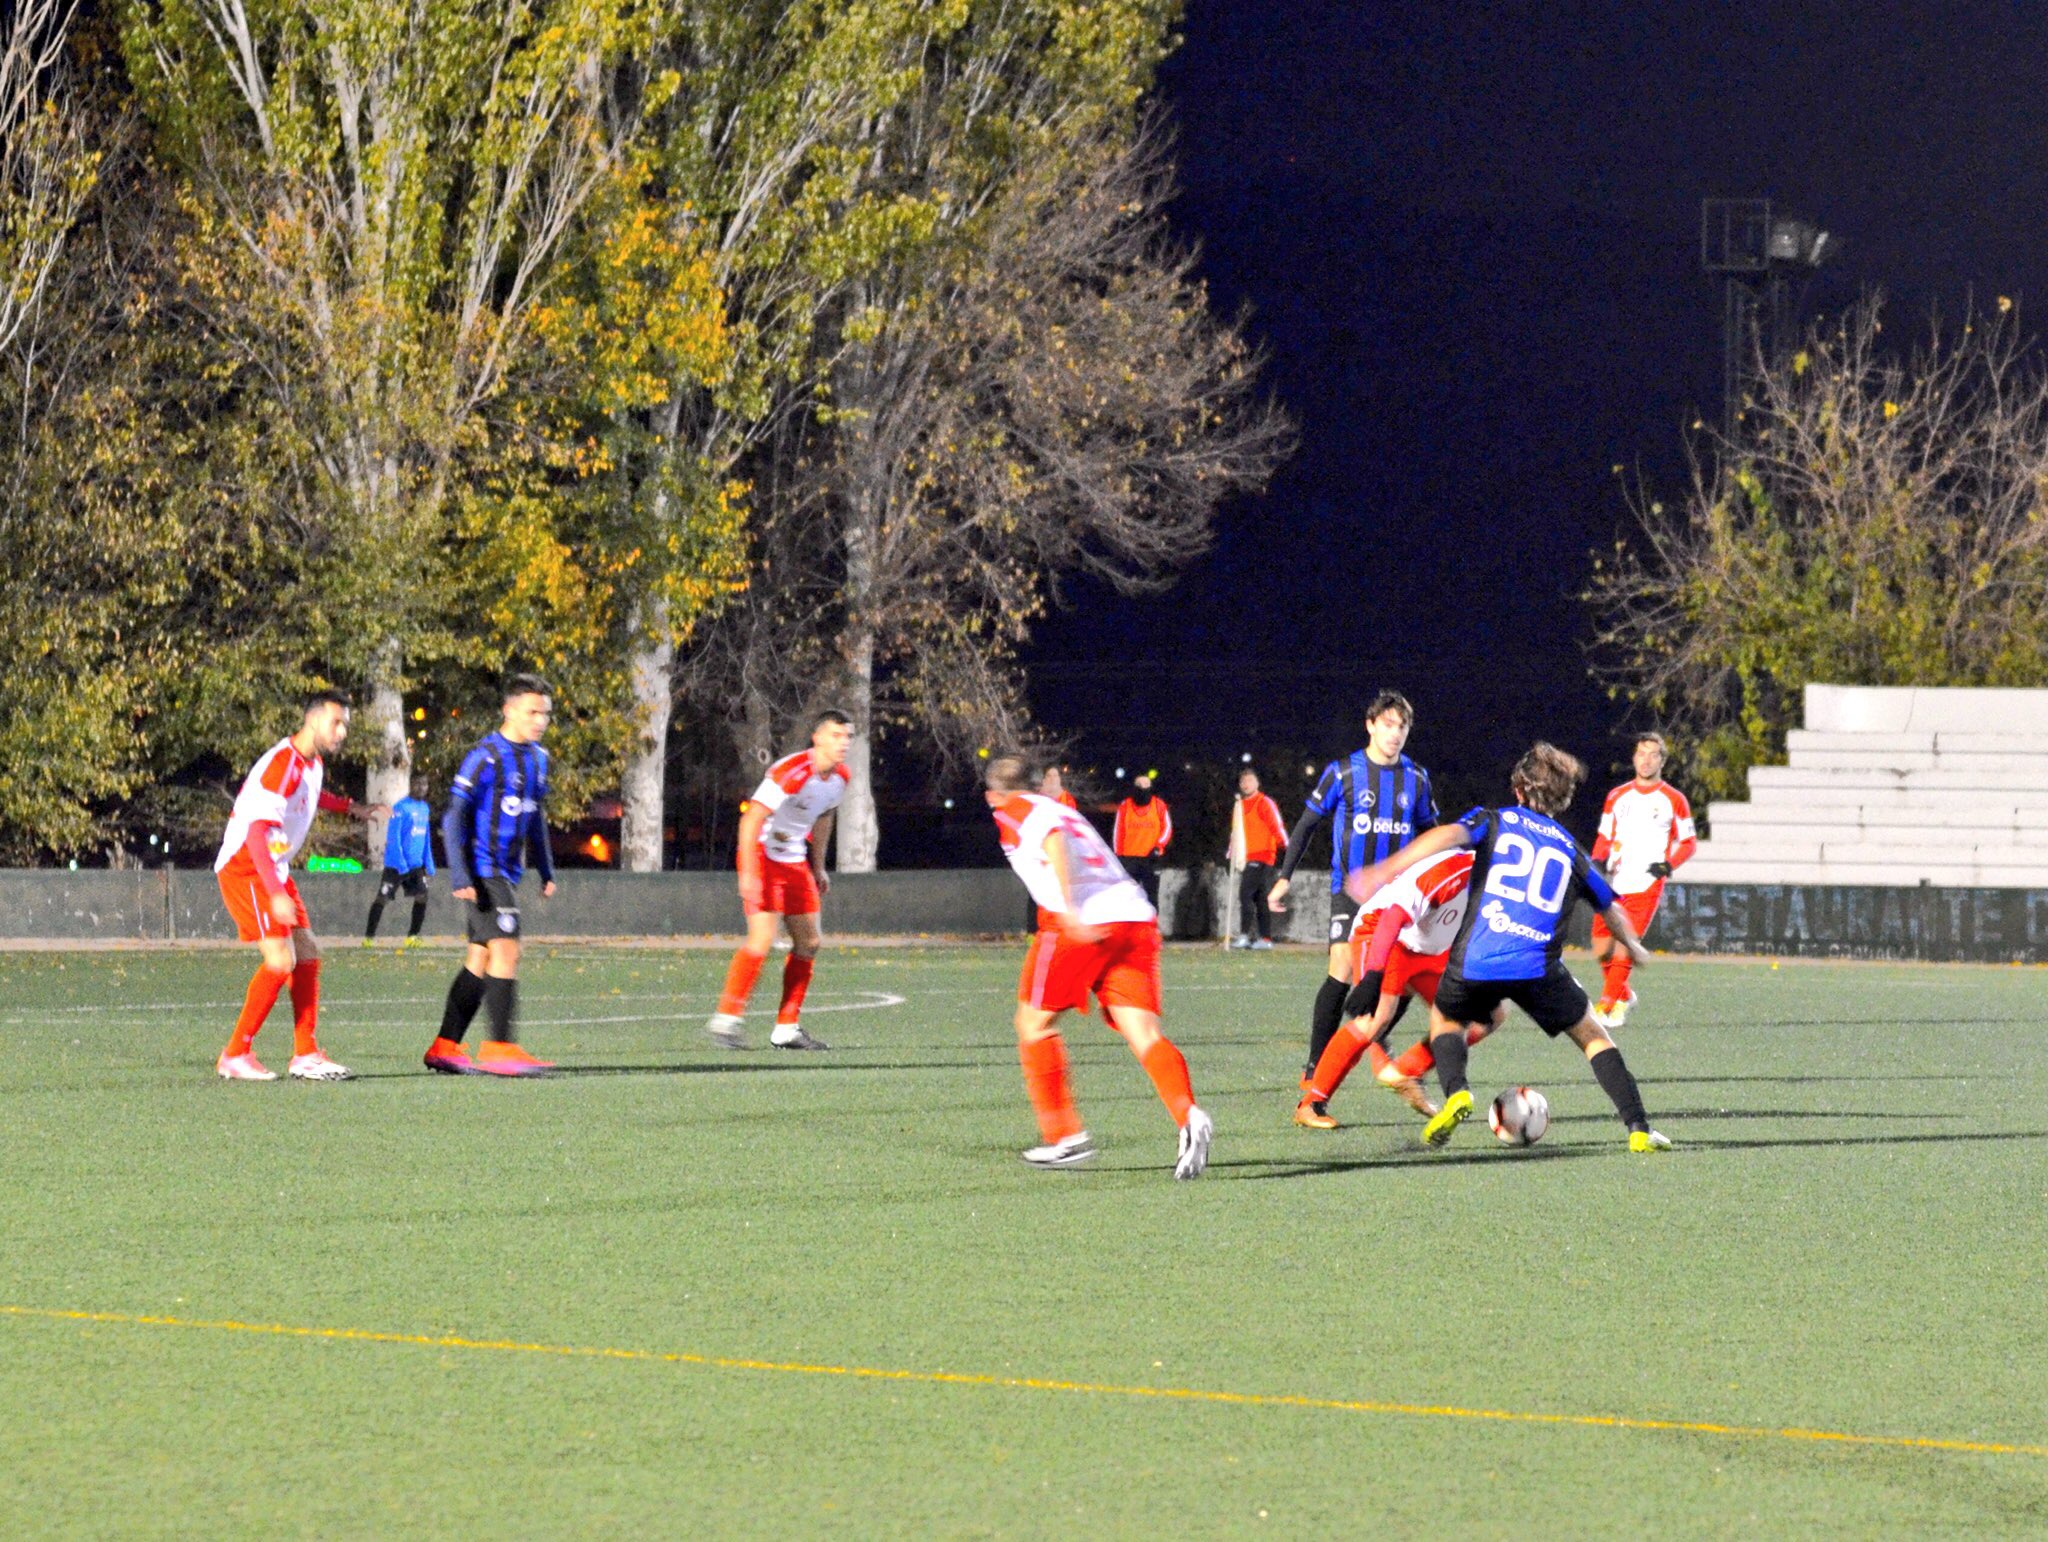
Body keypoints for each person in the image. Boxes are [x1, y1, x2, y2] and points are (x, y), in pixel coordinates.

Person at [1344, 742, 1672, 1152]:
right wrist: (1635, 948)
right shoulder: (1572, 850)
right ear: (1564, 799)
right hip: (1538, 968)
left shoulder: (1493, 820)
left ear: (1518, 788)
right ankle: (1639, 1128)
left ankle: (1457, 1092)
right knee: (1594, 1036)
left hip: (1476, 960)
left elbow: (1447, 836)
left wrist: (1385, 869)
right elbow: (1612, 908)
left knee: (1447, 1020)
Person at [985, 754, 1213, 1178]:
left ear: (992, 796)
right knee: (1144, 1034)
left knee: (1032, 1025)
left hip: (1081, 922)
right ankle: (1188, 1115)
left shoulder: (1013, 808)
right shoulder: (1063, 809)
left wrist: (1071, 909)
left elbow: (1051, 838)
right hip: (1134, 919)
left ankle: (1064, 1137)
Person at [1268, 690, 1436, 1116]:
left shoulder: (1416, 779)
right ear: (1370, 725)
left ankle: (1378, 1042)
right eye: (1388, 724)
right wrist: (1284, 877)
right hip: (1351, 891)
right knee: (1342, 969)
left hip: (1398, 896)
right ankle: (1314, 1069)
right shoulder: (1342, 772)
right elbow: (1306, 825)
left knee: (1401, 977)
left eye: (1402, 727)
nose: (1395, 733)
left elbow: (1432, 835)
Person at [212, 689, 380, 1081]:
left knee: (306, 954)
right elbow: (256, 833)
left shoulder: (311, 762)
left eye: (345, 725)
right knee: (280, 961)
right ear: (313, 719)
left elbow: (311, 797)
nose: (342, 732)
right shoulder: (283, 764)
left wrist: (351, 808)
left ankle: (305, 1054)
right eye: (336, 723)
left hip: (273, 868)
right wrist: (275, 894)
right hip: (247, 869)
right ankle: (235, 1054)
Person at [1293, 847, 1502, 1126]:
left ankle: (1406, 1072)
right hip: (1383, 931)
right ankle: (1311, 1104)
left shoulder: (1507, 885)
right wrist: (1374, 974)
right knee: (1375, 1020)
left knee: (1487, 1016)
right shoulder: (1454, 871)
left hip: (1430, 949)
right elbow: (1393, 916)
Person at [424, 676, 559, 1078]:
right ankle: (499, 1047)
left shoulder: (538, 759)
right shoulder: (485, 757)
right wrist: (460, 874)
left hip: (507, 872)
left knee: (480, 957)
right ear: (509, 710)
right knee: (507, 950)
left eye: (545, 714)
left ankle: (445, 1046)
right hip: (484, 871)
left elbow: (536, 818)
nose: (540, 721)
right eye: (532, 712)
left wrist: (546, 868)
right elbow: (453, 816)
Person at [704, 710, 853, 1051]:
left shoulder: (841, 778)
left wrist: (818, 866)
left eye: (847, 736)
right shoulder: (792, 771)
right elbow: (751, 819)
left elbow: (824, 817)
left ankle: (786, 1028)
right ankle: (726, 1020)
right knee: (762, 939)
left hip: (794, 860)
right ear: (817, 738)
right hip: (763, 856)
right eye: (836, 735)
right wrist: (748, 873)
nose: (843, 742)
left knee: (809, 942)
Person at [1589, 732, 1697, 1028]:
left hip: (1646, 883)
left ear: (1662, 761)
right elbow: (1605, 836)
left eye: (1653, 754)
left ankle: (1607, 1006)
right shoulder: (1617, 796)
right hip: (1614, 881)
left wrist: (1668, 865)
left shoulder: (1674, 799)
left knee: (1624, 945)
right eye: (1641, 753)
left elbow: (1689, 843)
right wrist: (1597, 862)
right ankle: (1624, 995)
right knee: (1601, 946)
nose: (1646, 760)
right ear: (1634, 758)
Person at [364, 777, 435, 948]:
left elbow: (425, 837)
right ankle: (369, 937)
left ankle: (412, 936)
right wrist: (401, 863)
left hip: (416, 865)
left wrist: (429, 863)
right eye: (418, 784)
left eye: (424, 784)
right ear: (411, 785)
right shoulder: (400, 807)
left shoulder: (424, 808)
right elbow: (394, 837)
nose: (422, 787)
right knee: (382, 898)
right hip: (396, 865)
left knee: (422, 896)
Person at [1227, 767, 1288, 948]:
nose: (1246, 784)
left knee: (1245, 894)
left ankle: (1244, 935)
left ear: (1257, 783)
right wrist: (1230, 855)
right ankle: (1265, 939)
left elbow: (1276, 825)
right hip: (1246, 857)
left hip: (1262, 855)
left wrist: (1286, 847)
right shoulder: (1239, 806)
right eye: (1243, 781)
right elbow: (1236, 833)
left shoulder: (1264, 802)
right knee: (1261, 898)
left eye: (1250, 781)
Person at [1022, 765, 1081, 932]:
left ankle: (1060, 928)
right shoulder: (1037, 799)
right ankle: (1033, 930)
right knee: (1037, 894)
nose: (1052, 779)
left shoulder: (1068, 800)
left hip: (1061, 853)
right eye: (1049, 776)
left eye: (1055, 776)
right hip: (1042, 853)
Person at [1111, 773, 1172, 908]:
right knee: (1127, 898)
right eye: (1140, 785)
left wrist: (1158, 846)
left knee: (1152, 897)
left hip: (1151, 858)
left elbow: (1167, 828)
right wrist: (1118, 855)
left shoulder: (1159, 805)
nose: (1143, 788)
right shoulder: (1125, 806)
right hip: (1129, 859)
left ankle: (1151, 920)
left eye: (1146, 785)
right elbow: (1118, 831)